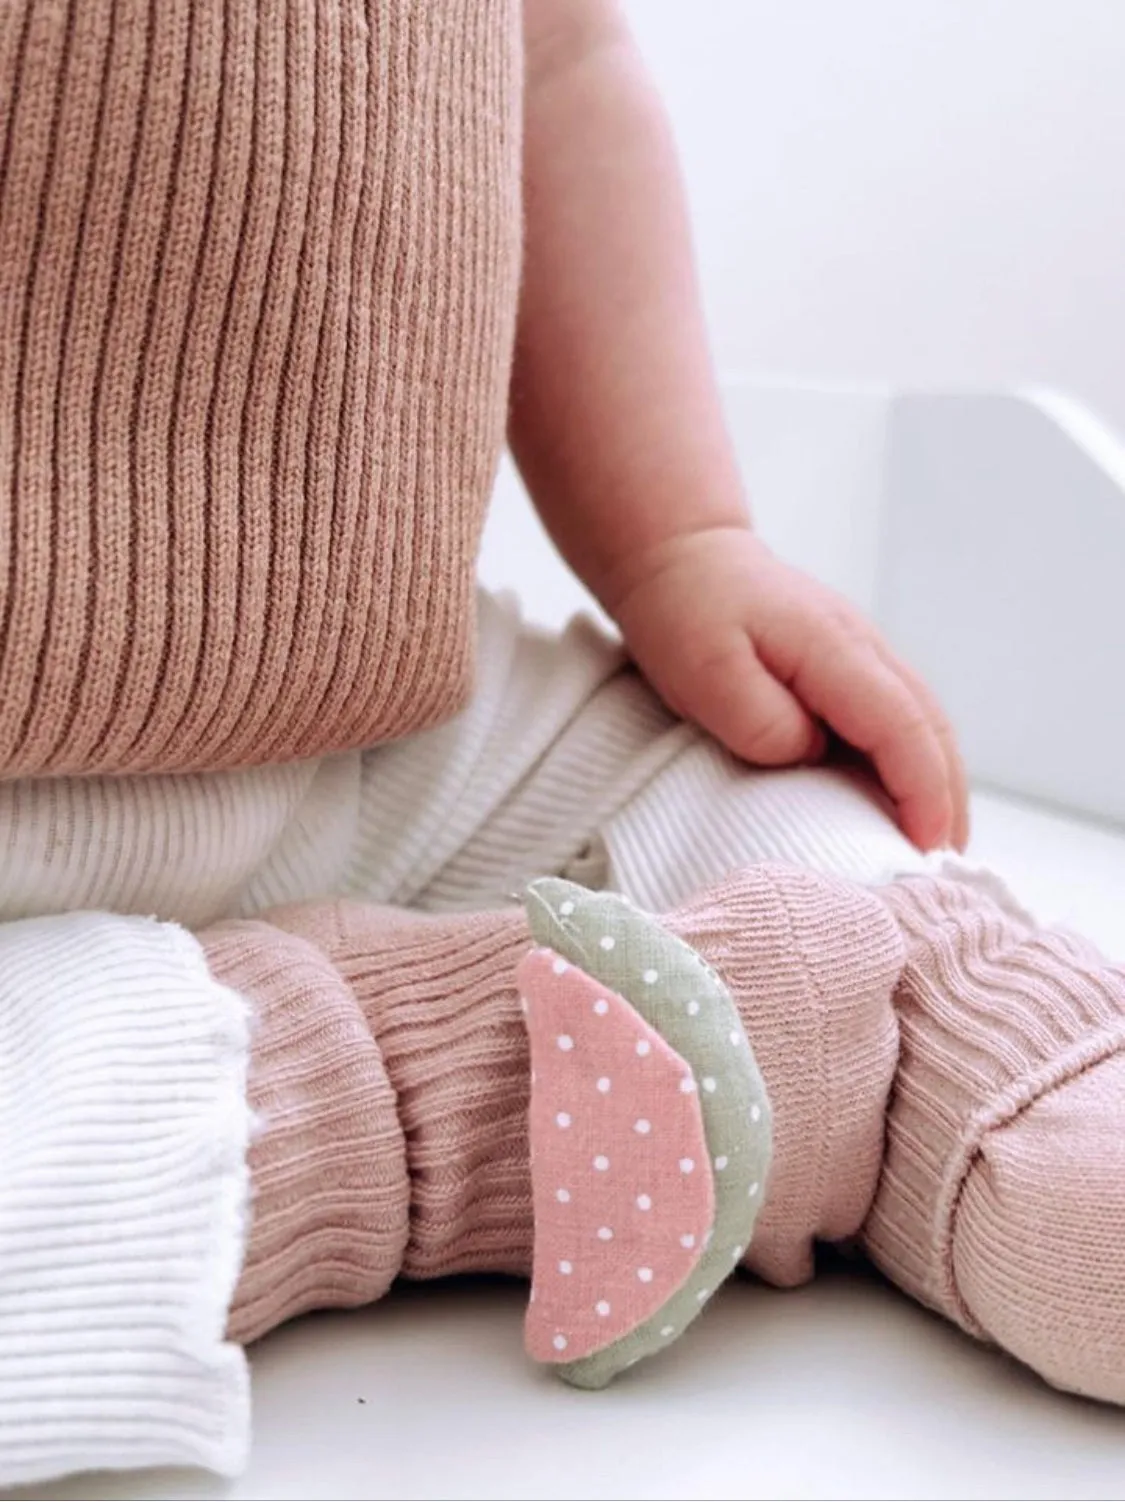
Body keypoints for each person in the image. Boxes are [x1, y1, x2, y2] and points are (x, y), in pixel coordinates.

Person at [0, 0, 1121, 1485]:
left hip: (375, 724)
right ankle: (446, 1091)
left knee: (760, 796)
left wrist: (680, 542)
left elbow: (560, 60)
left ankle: (963, 1039)